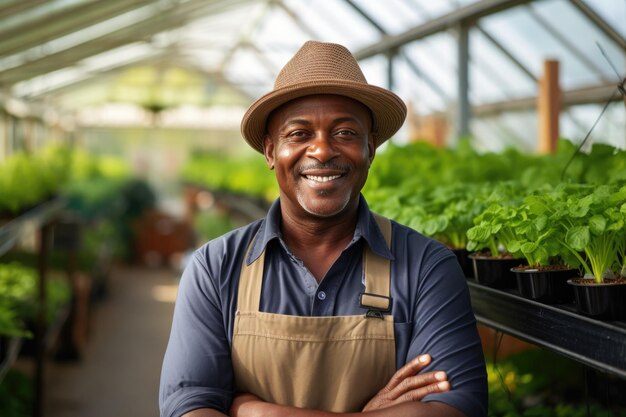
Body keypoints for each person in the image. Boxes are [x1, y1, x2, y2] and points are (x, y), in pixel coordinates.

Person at [159, 40, 487, 417]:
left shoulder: (427, 268)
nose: (322, 150)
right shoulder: (216, 267)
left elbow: (457, 409)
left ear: (371, 148)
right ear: (270, 152)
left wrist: (258, 412)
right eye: (299, 134)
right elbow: (189, 406)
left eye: (345, 133)